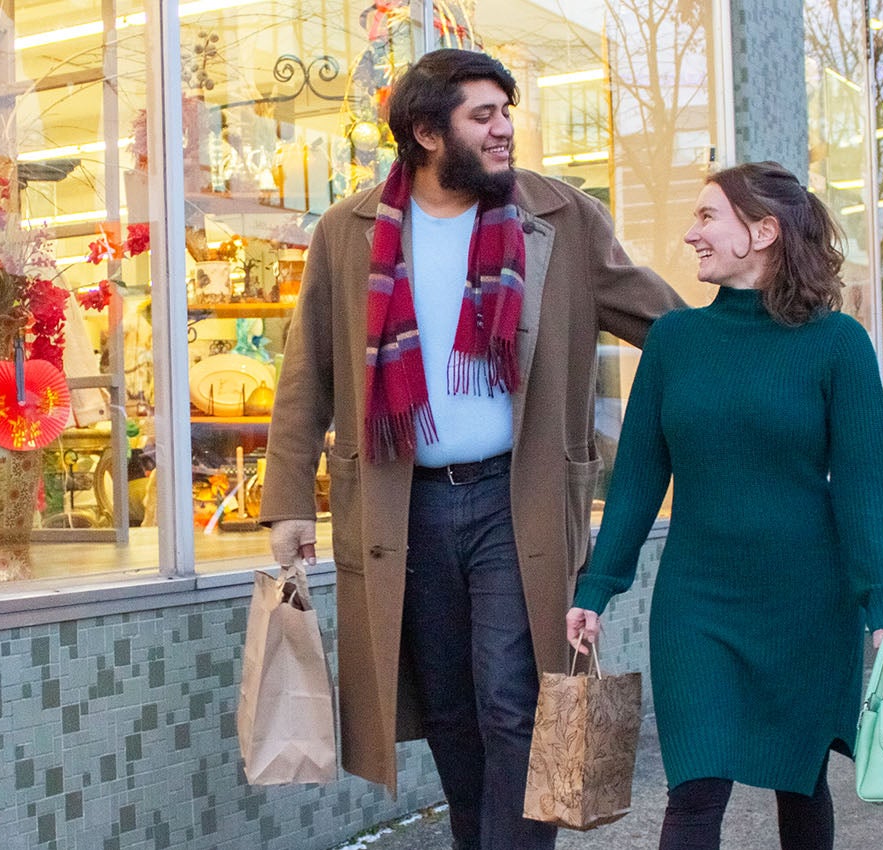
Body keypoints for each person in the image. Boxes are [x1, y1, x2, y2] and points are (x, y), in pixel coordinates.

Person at [258, 49, 686, 850]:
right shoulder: (349, 233)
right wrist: (285, 501)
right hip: (402, 505)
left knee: (513, 704)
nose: (505, 130)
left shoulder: (560, 217)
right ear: (425, 132)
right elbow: (307, 372)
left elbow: (670, 330)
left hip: (514, 502)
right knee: (451, 710)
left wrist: (765, 340)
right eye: (482, 116)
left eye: (507, 111)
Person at [565, 162, 883, 850]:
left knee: (800, 778)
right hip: (698, 602)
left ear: (761, 232)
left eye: (706, 217)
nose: (690, 233)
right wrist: (597, 586)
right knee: (694, 788)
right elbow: (637, 477)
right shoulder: (674, 340)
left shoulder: (837, 344)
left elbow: (864, 485)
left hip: (806, 602)